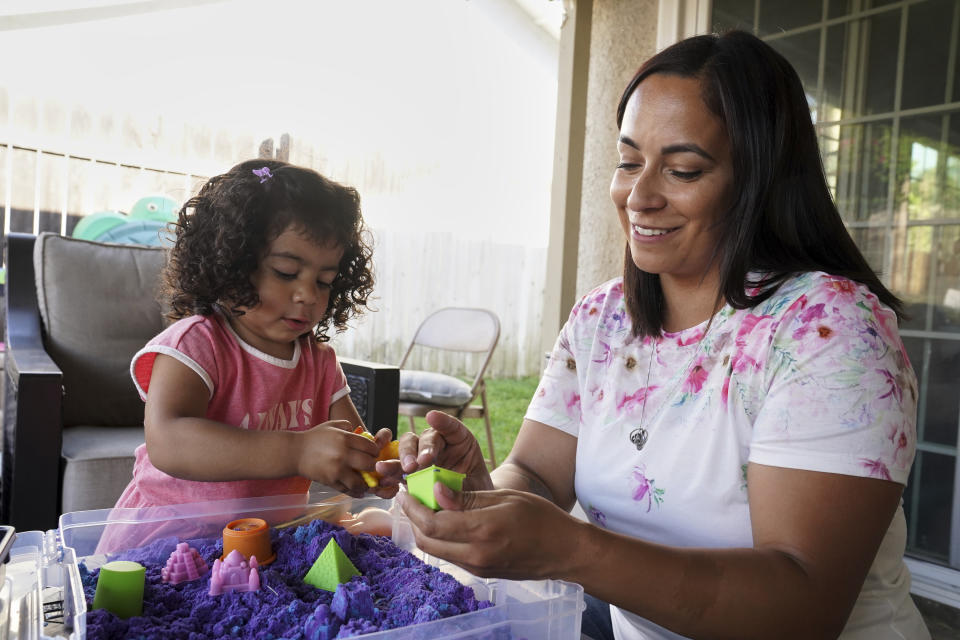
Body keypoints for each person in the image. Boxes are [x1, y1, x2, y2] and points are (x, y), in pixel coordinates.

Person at [378, 30, 931, 640]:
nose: (639, 196)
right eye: (628, 161)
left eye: (683, 169)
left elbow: (804, 604)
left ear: (758, 180)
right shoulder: (602, 320)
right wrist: (480, 496)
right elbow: (536, 474)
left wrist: (568, 549)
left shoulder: (830, 333)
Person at [112, 159, 397, 515]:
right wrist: (297, 451)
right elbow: (168, 442)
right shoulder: (195, 346)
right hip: (175, 538)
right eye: (286, 272)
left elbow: (351, 445)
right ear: (232, 264)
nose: (308, 294)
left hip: (270, 540)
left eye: (324, 280)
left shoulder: (319, 362)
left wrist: (376, 465)